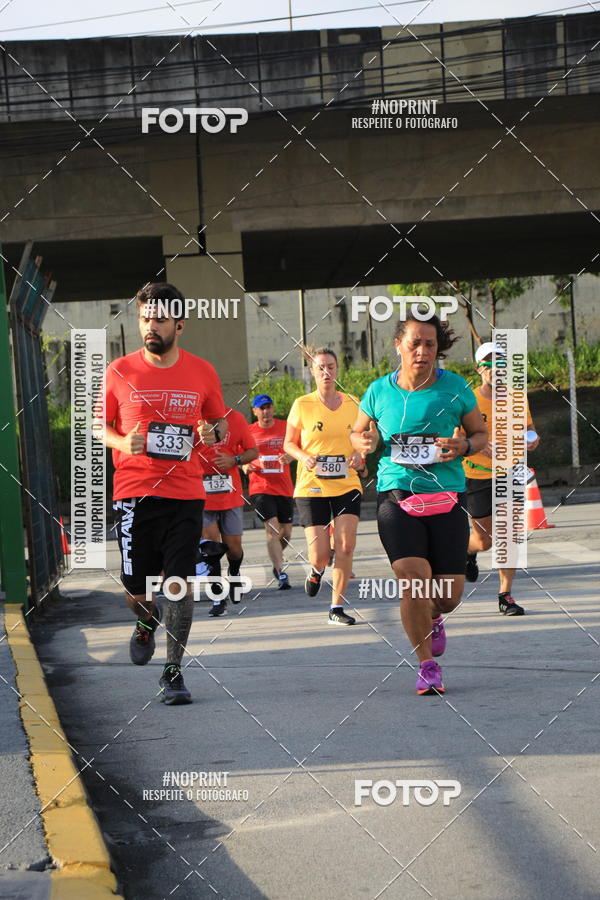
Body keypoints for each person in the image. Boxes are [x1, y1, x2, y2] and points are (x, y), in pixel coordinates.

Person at [100, 282, 228, 705]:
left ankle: (173, 671)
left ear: (179, 324)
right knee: (137, 593)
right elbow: (100, 426)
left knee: (178, 584)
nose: (150, 326)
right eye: (144, 319)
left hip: (185, 493)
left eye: (158, 319)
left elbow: (220, 424)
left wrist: (213, 432)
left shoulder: (202, 371)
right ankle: (145, 621)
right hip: (134, 493)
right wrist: (123, 442)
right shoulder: (119, 370)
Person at [351, 313, 488, 694]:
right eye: (415, 343)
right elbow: (357, 432)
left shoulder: (455, 387)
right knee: (413, 579)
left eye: (430, 344)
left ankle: (434, 617)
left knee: (447, 598)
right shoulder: (378, 391)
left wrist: (465, 445)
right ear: (399, 345)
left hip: (447, 496)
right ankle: (427, 665)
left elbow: (480, 433)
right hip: (397, 495)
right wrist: (362, 443)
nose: (422, 351)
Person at [284, 348, 363, 625]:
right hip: (312, 485)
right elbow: (288, 443)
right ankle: (316, 570)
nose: (326, 372)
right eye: (320, 368)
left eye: (330, 366)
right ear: (312, 372)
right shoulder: (302, 404)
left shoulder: (354, 402)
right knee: (319, 555)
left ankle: (336, 608)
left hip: (347, 483)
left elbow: (367, 437)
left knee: (345, 546)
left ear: (337, 369)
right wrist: (303, 456)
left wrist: (360, 454)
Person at [464, 342, 540, 616]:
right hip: (477, 474)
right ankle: (468, 551)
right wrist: (477, 444)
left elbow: (529, 428)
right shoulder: (469, 400)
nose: (495, 370)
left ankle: (505, 595)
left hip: (511, 472)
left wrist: (532, 439)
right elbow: (457, 436)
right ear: (479, 369)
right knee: (484, 540)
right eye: (489, 365)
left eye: (500, 364)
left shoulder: (517, 398)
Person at [201, 406, 258, 617]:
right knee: (210, 546)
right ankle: (218, 597)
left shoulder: (235, 418)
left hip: (230, 494)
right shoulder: (191, 417)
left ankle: (234, 573)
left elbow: (253, 451)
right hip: (201, 495)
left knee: (233, 549)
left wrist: (234, 460)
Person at [246, 395, 295, 590]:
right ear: (255, 411)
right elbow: (239, 455)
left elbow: (299, 447)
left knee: (286, 532)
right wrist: (244, 466)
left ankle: (277, 557)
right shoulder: (249, 431)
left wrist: (290, 456)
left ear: (273, 408)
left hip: (284, 487)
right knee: (272, 529)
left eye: (268, 407)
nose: (265, 411)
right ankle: (280, 571)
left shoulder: (286, 427)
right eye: (261, 408)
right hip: (261, 487)